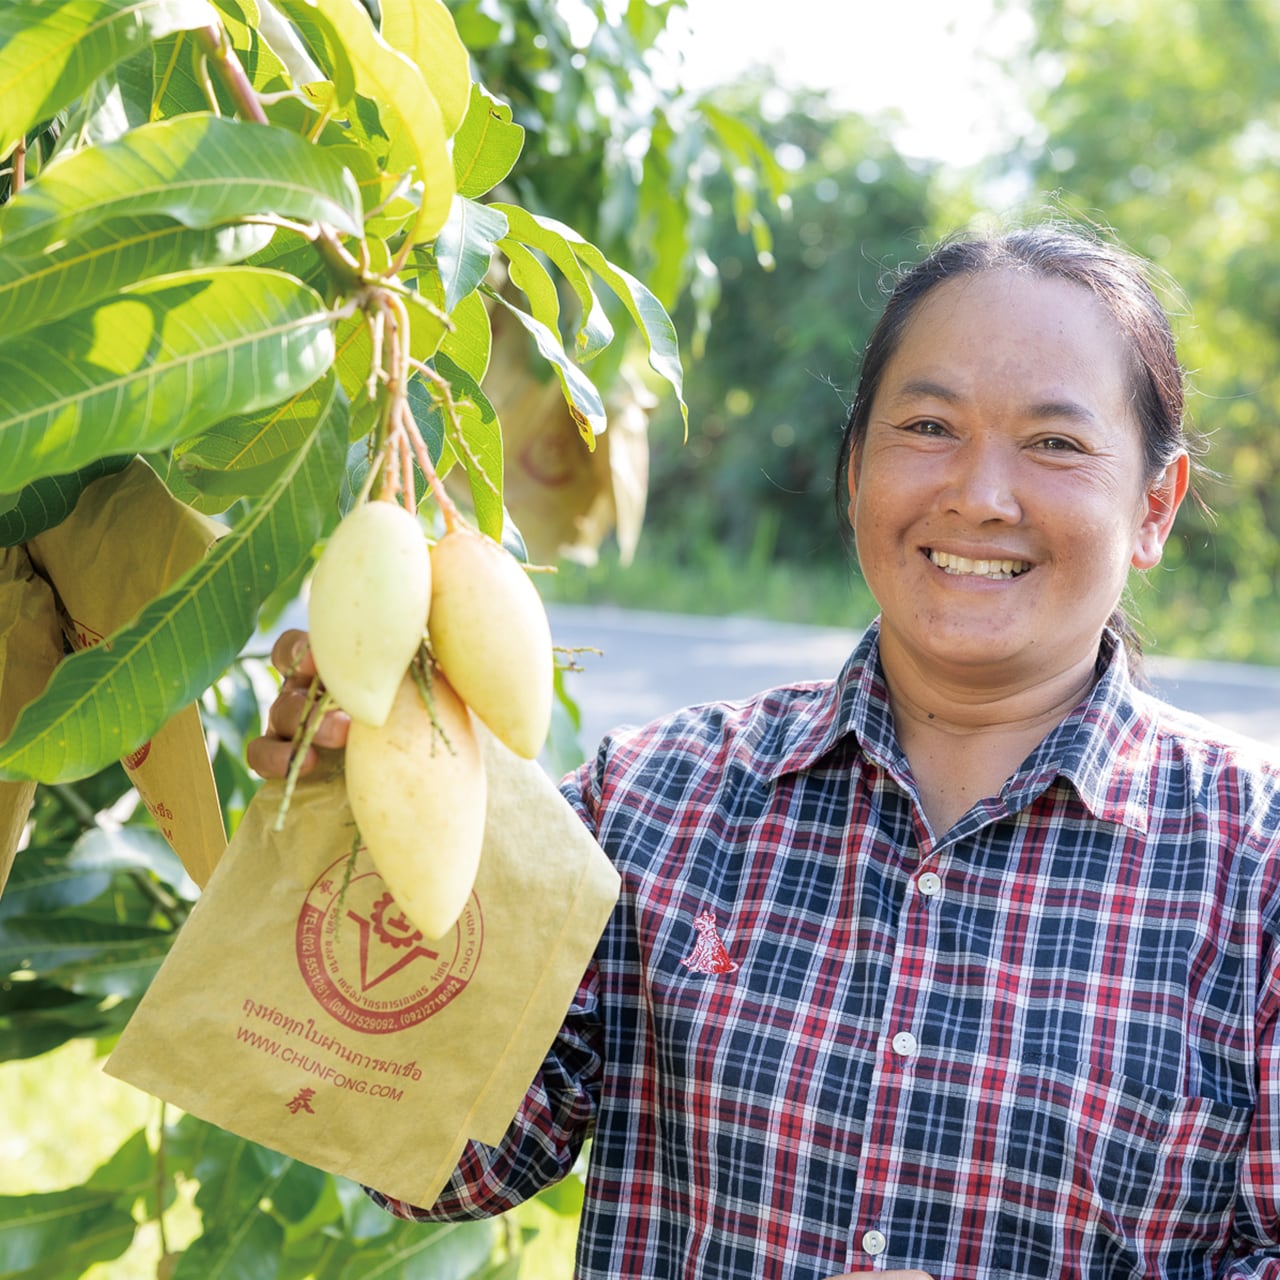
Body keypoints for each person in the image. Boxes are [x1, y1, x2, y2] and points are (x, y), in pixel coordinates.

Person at [248, 223, 1280, 1279]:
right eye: (927, 425)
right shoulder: (646, 801)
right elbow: (444, 1164)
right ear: (852, 472)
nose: (978, 493)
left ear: (1151, 506)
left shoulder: (1257, 865)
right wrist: (342, 833)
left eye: (1054, 443)